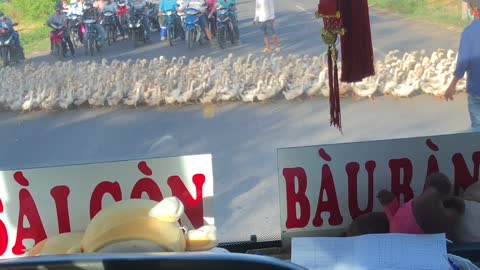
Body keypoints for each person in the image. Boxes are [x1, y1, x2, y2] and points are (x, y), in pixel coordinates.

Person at [445, 0, 480, 132]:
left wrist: (452, 85)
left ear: (475, 9)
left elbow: (463, 62)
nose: (469, 10)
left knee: (477, 129)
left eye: (470, 7)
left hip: (476, 90)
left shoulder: (469, 32)